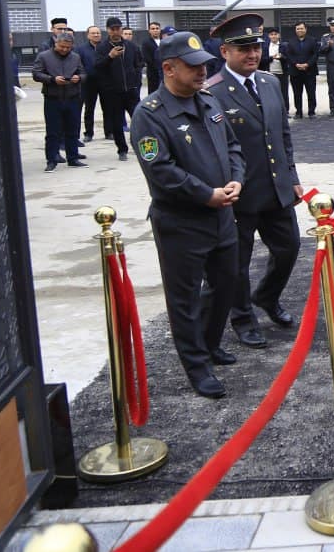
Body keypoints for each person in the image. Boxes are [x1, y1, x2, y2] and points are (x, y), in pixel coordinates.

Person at [130, 31, 245, 399]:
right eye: (193, 67)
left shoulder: (208, 103)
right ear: (168, 68)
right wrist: (206, 194)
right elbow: (160, 171)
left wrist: (235, 181)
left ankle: (209, 344)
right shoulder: (150, 115)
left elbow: (232, 147)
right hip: (182, 222)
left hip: (222, 215)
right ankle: (196, 366)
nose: (201, 73)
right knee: (184, 299)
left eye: (204, 67)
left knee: (226, 284)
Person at [206, 14, 303, 351]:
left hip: (276, 188)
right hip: (240, 193)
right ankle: (243, 318)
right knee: (237, 264)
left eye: (256, 47)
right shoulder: (212, 92)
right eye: (243, 48)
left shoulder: (269, 83)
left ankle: (267, 296)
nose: (252, 54)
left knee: (289, 247)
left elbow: (282, 135)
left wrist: (292, 177)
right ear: (224, 51)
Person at [32, 31, 87, 171]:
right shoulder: (44, 56)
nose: (64, 50)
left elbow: (83, 73)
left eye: (68, 47)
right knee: (53, 131)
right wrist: (51, 79)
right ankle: (51, 159)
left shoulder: (75, 57)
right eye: (62, 47)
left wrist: (78, 78)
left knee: (72, 129)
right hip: (53, 98)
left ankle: (73, 158)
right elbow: (36, 74)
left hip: (72, 97)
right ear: (56, 43)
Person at [94, 17, 144, 161]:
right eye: (112, 29)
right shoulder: (102, 47)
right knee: (116, 122)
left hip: (130, 90)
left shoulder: (131, 46)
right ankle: (122, 149)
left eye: (118, 28)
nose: (116, 31)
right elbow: (97, 67)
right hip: (112, 92)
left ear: (122, 29)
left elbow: (139, 63)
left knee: (138, 119)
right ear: (108, 30)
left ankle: (139, 146)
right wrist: (110, 57)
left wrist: (135, 78)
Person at [284, 21, 319, 118]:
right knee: (297, 93)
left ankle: (311, 112)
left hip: (310, 71)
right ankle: (298, 112)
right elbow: (289, 55)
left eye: (301, 28)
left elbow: (315, 54)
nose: (300, 30)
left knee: (311, 93)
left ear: (305, 29)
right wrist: (296, 64)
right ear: (295, 30)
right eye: (298, 29)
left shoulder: (313, 40)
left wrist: (307, 64)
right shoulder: (290, 42)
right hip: (295, 71)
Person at [76, 25, 102, 143]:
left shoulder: (105, 47)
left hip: (104, 81)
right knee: (89, 108)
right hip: (88, 83)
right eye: (93, 33)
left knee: (108, 107)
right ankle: (88, 133)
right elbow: (79, 65)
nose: (96, 35)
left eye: (98, 33)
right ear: (88, 35)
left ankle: (109, 131)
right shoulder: (81, 49)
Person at [259, 26, 288, 109]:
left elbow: (288, 59)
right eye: (272, 34)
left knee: (283, 93)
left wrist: (282, 57)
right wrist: (272, 58)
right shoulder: (265, 47)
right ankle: (272, 109)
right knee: (270, 93)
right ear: (269, 36)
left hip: (282, 73)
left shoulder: (283, 46)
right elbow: (262, 60)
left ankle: (286, 110)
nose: (274, 36)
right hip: (269, 73)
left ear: (279, 36)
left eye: (275, 34)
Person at [140, 22, 164, 93]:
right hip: (153, 73)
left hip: (165, 72)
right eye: (153, 29)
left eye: (157, 28)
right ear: (149, 31)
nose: (155, 30)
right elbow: (147, 59)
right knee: (154, 92)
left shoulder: (164, 41)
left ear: (160, 30)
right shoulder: (146, 43)